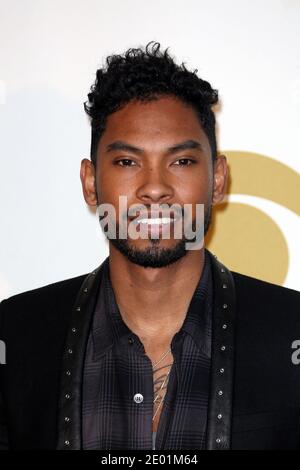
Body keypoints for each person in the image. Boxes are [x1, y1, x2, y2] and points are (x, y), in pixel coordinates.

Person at [0, 41, 300, 451]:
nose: (155, 188)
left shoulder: (290, 330)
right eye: (127, 162)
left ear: (217, 179)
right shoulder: (16, 336)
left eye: (181, 161)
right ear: (91, 183)